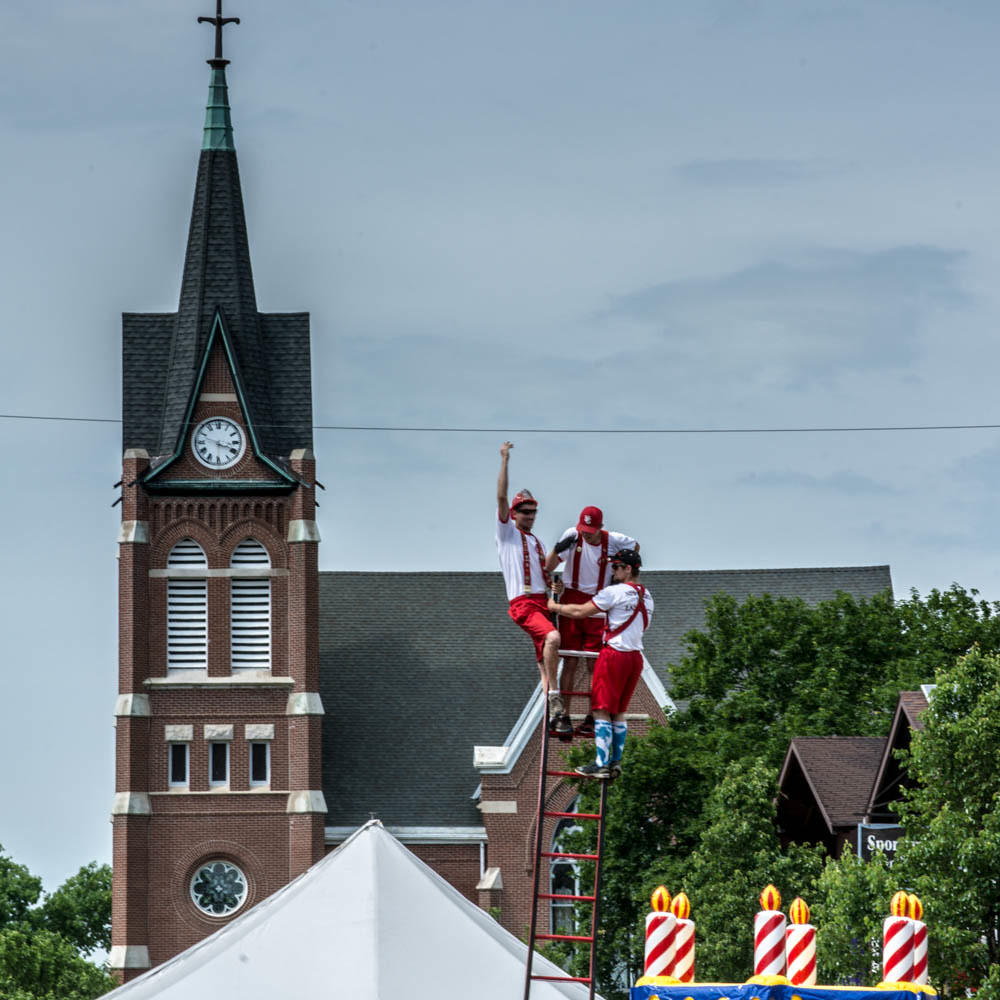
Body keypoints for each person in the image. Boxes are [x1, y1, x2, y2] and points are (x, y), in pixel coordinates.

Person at [548, 548, 653, 779]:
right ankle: (616, 761)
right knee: (619, 712)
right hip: (635, 657)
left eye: (616, 567)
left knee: (600, 709)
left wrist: (556, 607)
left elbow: (580, 611)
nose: (612, 571)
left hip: (614, 654)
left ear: (628, 569)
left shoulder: (614, 592)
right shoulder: (647, 596)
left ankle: (600, 763)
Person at [544, 507, 638, 737]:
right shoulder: (572, 536)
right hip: (572, 596)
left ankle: (591, 717)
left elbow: (634, 548)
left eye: (590, 530)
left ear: (600, 527)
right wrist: (557, 549)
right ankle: (563, 716)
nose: (586, 534)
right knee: (570, 660)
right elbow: (548, 566)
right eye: (583, 529)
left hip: (598, 601)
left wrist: (617, 572)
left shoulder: (614, 540)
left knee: (594, 663)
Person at [495, 442, 568, 732]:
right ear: (514, 513)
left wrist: (555, 586)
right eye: (525, 511)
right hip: (524, 603)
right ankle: (557, 699)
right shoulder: (507, 534)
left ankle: (552, 716)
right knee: (553, 637)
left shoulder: (537, 542)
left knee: (545, 663)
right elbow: (501, 496)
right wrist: (505, 460)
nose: (530, 516)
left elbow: (545, 574)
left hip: (542, 602)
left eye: (533, 512)